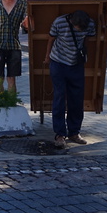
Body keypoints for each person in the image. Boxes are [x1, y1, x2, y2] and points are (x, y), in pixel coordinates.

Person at [44, 9, 96, 148]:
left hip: (76, 64)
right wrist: (47, 57)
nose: (80, 31)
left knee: (77, 99)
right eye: (77, 28)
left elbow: (88, 39)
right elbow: (51, 39)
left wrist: (83, 55)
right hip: (58, 62)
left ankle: (74, 132)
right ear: (72, 22)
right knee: (59, 97)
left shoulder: (90, 24)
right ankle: (60, 134)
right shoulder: (59, 22)